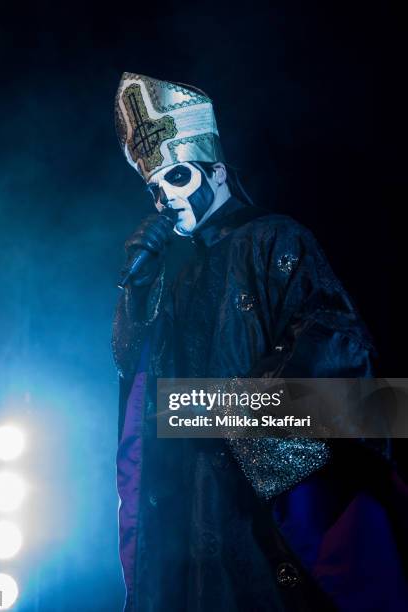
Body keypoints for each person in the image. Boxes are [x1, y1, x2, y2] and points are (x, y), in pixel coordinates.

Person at [112, 72, 408, 612]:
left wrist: (218, 410)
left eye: (176, 177)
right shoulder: (167, 273)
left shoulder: (276, 239)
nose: (164, 199)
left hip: (261, 523)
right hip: (188, 519)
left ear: (216, 172)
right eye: (154, 188)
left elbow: (352, 375)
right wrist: (135, 296)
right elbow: (138, 395)